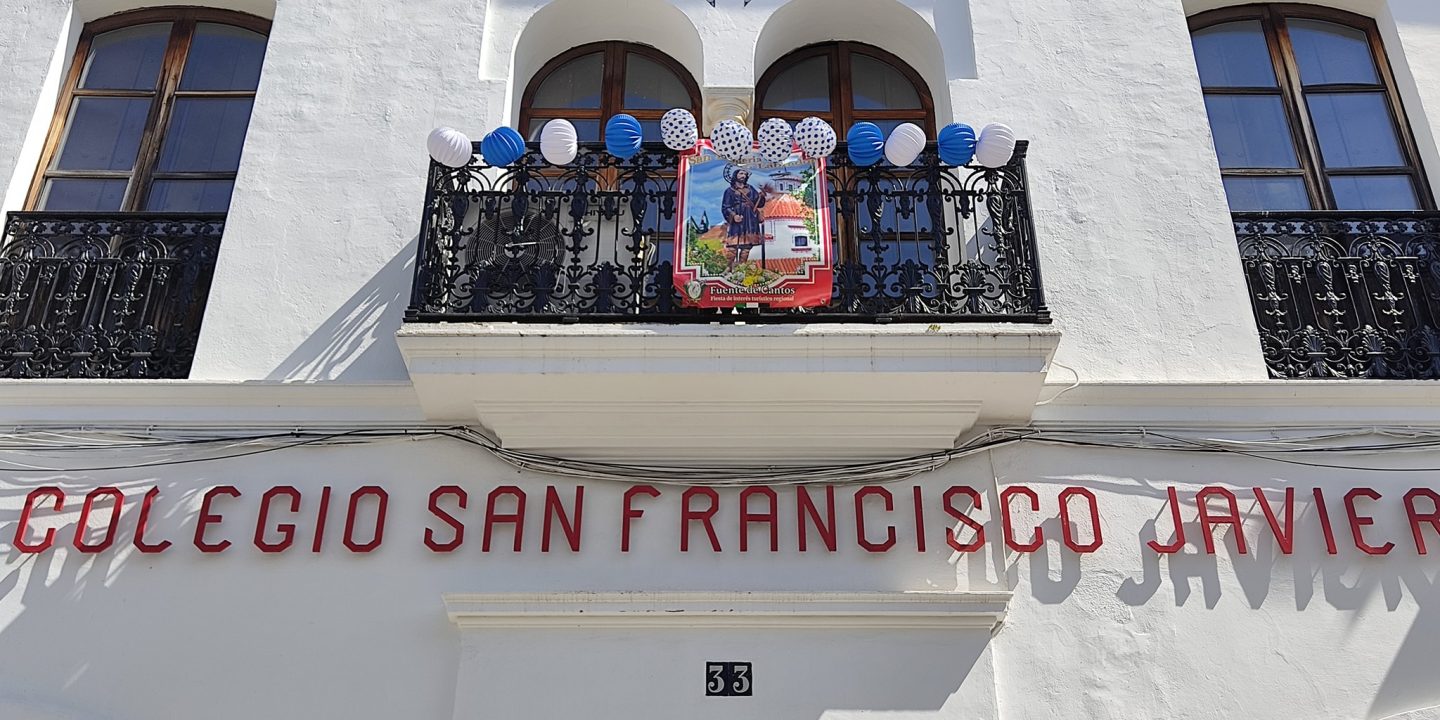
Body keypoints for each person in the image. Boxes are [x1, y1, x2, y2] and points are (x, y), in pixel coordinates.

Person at [721, 166, 769, 271]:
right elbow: (726, 207)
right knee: (733, 246)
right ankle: (728, 269)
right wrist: (734, 215)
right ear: (735, 176)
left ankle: (741, 269)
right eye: (740, 173)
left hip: (750, 219)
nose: (743, 176)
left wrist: (762, 197)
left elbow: (759, 204)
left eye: (744, 174)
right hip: (738, 220)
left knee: (747, 246)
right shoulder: (729, 191)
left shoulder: (751, 189)